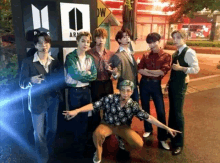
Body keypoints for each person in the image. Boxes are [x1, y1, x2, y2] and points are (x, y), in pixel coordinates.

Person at [63, 80, 181, 163]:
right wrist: (77, 110)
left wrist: (167, 128)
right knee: (97, 134)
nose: (125, 93)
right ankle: (98, 154)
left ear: (132, 92)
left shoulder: (133, 105)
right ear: (119, 90)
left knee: (138, 143)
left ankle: (123, 143)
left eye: (128, 91)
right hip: (107, 124)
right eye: (123, 90)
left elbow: (149, 118)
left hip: (123, 127)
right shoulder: (110, 98)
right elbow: (94, 105)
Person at [19, 32, 64, 163]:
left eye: (46, 42)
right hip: (37, 101)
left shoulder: (55, 61)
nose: (44, 45)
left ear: (49, 44)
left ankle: (48, 150)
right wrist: (31, 80)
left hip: (53, 99)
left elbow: (60, 79)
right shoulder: (28, 62)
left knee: (52, 129)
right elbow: (21, 83)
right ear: (35, 45)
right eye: (40, 43)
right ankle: (42, 158)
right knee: (38, 134)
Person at [165, 30, 200, 155]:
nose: (175, 40)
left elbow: (196, 69)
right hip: (174, 84)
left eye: (178, 37)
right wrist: (168, 84)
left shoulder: (189, 52)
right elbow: (173, 71)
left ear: (184, 38)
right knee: (173, 112)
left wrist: (182, 68)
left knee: (178, 113)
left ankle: (179, 143)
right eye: (174, 37)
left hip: (180, 86)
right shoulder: (176, 53)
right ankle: (172, 136)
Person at [64, 31, 97, 158]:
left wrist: (87, 76)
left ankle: (83, 147)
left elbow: (94, 76)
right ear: (77, 42)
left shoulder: (90, 58)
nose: (85, 44)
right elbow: (74, 74)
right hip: (74, 92)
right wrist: (86, 74)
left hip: (86, 91)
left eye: (88, 42)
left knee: (85, 119)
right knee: (75, 119)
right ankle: (76, 149)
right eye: (83, 41)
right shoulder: (70, 57)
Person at [138, 33, 171, 150]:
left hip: (156, 85)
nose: (151, 44)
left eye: (153, 41)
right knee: (145, 108)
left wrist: (148, 71)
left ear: (159, 41)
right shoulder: (146, 55)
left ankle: (162, 137)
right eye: (149, 42)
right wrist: (152, 72)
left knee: (160, 111)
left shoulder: (166, 55)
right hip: (144, 84)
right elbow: (140, 69)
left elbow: (163, 72)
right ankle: (148, 129)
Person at [86, 28, 115, 155]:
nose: (101, 40)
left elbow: (116, 72)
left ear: (106, 38)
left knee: (108, 108)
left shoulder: (111, 54)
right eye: (98, 37)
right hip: (95, 83)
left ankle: (106, 133)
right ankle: (96, 135)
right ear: (95, 39)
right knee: (96, 109)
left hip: (108, 83)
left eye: (103, 37)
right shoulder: (88, 53)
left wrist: (114, 72)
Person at [110, 28, 139, 102]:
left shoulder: (130, 52)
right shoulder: (117, 55)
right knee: (126, 109)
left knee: (135, 108)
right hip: (125, 88)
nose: (127, 38)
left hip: (134, 85)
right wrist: (115, 74)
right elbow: (117, 73)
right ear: (119, 40)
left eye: (128, 36)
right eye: (124, 37)